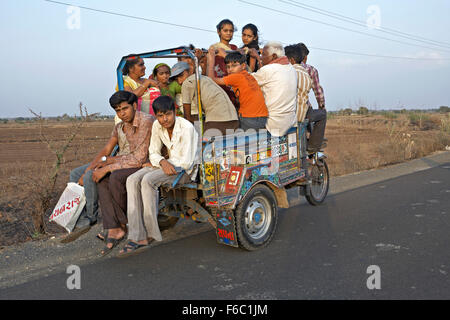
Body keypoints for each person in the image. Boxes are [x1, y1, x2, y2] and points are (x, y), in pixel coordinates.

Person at [118, 95, 198, 257]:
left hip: (185, 171)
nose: (164, 119)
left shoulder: (187, 127)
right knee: (132, 179)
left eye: (167, 114)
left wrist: (163, 164)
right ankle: (135, 234)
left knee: (148, 180)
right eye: (160, 116)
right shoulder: (157, 126)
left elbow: (187, 162)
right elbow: (153, 152)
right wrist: (162, 162)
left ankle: (150, 233)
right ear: (156, 116)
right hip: (165, 165)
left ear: (174, 112)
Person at [96, 91, 155, 256]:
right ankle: (115, 228)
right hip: (136, 161)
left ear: (135, 106)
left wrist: (109, 166)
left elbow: (139, 157)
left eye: (125, 109)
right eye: (118, 111)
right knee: (102, 179)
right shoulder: (123, 125)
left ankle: (123, 223)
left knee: (115, 176)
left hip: (150, 162)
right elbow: (130, 156)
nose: (122, 113)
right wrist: (108, 163)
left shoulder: (146, 121)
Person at [171, 61, 239, 136]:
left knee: (205, 145)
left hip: (217, 120)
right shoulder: (204, 78)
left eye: (181, 76)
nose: (180, 82)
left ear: (190, 71)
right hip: (234, 119)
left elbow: (187, 116)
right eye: (176, 79)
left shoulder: (187, 83)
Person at [207, 50, 268, 130]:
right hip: (262, 116)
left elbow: (211, 79)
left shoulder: (236, 77)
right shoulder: (247, 75)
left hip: (249, 117)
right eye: (228, 67)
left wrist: (211, 61)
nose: (230, 69)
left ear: (243, 66)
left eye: (234, 66)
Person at [248, 41, 298, 136]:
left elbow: (246, 80)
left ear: (274, 56)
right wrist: (259, 59)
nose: (261, 57)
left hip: (272, 123)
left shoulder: (269, 70)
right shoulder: (291, 69)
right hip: (289, 121)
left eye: (263, 54)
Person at [298, 43, 327, 152]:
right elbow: (318, 92)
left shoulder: (286, 68)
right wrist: (321, 106)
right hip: (303, 110)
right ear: (305, 57)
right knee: (322, 114)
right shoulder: (310, 70)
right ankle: (312, 148)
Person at [209, 19, 239, 108]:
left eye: (231, 31)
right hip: (220, 81)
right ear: (219, 32)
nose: (228, 33)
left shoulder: (234, 48)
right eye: (225, 30)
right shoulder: (214, 47)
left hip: (233, 81)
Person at [284, 44, 312, 123]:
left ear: (291, 60)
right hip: (301, 116)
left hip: (288, 118)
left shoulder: (289, 72)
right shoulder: (307, 74)